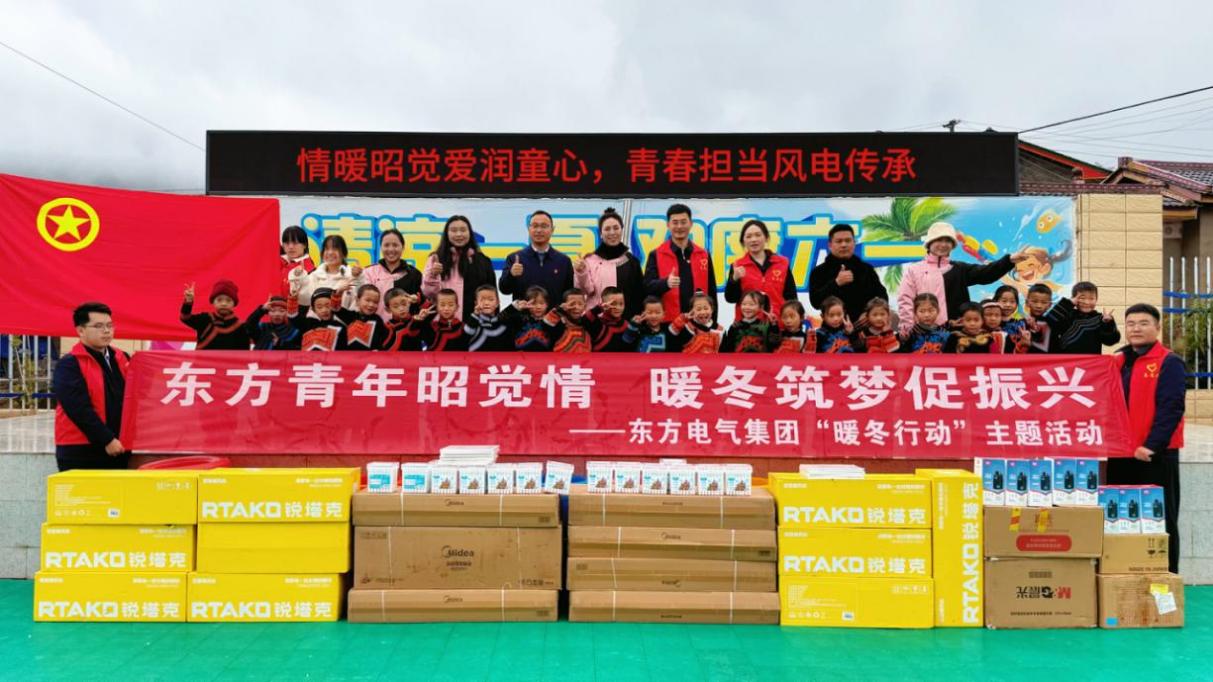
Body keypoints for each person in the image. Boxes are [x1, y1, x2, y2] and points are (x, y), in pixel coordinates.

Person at [1107, 303, 1185, 573]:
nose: (1136, 329)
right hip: (1120, 454)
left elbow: (1171, 408)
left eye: (1143, 323)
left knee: (1160, 520)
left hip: (1154, 455)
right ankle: (1121, 576)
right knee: (1118, 518)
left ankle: (1166, 580)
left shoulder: (1169, 361)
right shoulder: (1118, 361)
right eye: (1131, 324)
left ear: (1157, 327)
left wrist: (1152, 446)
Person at [896, 222, 1028, 335]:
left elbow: (986, 273)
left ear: (952, 245)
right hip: (924, 332)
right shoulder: (914, 270)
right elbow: (905, 300)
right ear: (929, 243)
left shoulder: (959, 269)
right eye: (939, 240)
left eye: (948, 241)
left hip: (958, 333)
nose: (943, 244)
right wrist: (907, 328)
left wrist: (1009, 260)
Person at [53, 302, 129, 471]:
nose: (107, 331)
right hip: (81, 450)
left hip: (119, 447)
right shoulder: (69, 364)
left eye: (110, 325)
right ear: (81, 330)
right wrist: (107, 439)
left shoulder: (122, 358)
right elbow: (77, 408)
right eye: (99, 326)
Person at [643, 204, 718, 323]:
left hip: (698, 322)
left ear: (691, 224)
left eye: (683, 222)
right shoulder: (656, 254)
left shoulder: (703, 254)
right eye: (675, 222)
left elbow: (712, 292)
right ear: (668, 225)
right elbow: (647, 287)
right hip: (668, 323)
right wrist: (666, 283)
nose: (679, 226)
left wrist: (713, 323)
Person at [808, 224, 888, 323]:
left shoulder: (866, 269)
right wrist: (836, 283)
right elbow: (815, 302)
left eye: (848, 240)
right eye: (839, 241)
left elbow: (882, 296)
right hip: (833, 328)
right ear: (830, 245)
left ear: (854, 243)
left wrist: (869, 313)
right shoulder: (818, 272)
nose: (844, 245)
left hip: (864, 327)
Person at [422, 216, 497, 319]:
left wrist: (493, 320)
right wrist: (433, 275)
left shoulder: (483, 261)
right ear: (447, 234)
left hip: (475, 322)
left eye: (463, 230)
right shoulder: (436, 258)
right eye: (453, 230)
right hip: (444, 324)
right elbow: (428, 294)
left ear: (470, 233)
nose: (458, 234)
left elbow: (492, 294)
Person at [575, 208, 645, 317]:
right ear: (601, 233)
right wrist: (581, 272)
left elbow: (639, 296)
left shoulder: (632, 262)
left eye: (616, 228)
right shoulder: (589, 260)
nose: (612, 232)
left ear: (621, 230)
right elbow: (584, 291)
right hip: (596, 322)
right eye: (607, 229)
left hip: (624, 323)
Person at [724, 219, 796, 320]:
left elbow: (792, 298)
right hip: (748, 325)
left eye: (758, 235)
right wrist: (734, 279)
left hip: (777, 323)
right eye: (748, 236)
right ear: (743, 241)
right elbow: (730, 299)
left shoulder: (782, 263)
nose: (753, 239)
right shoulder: (737, 266)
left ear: (766, 238)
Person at [499, 210, 575, 305]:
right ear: (529, 229)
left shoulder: (564, 261)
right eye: (535, 226)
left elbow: (569, 295)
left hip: (553, 314)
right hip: (523, 314)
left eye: (544, 226)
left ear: (552, 230)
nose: (539, 230)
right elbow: (504, 290)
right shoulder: (514, 258)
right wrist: (511, 275)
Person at [1042, 281, 1122, 354]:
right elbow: (1048, 323)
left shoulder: (1100, 319)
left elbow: (1111, 341)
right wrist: (1067, 303)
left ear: (1096, 300)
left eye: (1091, 298)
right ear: (1074, 298)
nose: (1087, 302)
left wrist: (1108, 324)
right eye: (1082, 298)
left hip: (1090, 363)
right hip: (1067, 362)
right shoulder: (1067, 315)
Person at [362, 229, 423, 321]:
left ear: (403, 247)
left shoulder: (414, 274)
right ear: (381, 247)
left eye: (395, 245)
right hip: (376, 326)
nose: (391, 249)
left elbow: (422, 303)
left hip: (406, 328)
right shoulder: (368, 272)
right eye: (386, 245)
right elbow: (361, 300)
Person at [289, 235, 364, 309]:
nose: (330, 252)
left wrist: (357, 277)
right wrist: (297, 276)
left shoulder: (351, 275)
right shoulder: (316, 275)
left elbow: (360, 299)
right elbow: (304, 299)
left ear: (344, 253)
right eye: (327, 249)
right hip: (316, 317)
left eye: (335, 249)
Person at [180, 280, 250, 350]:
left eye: (228, 300)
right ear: (213, 302)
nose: (224, 304)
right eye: (219, 300)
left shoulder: (241, 326)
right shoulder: (205, 318)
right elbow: (185, 317)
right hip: (203, 357)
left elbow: (244, 351)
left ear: (234, 304)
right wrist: (188, 302)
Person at [289, 286, 347, 351]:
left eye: (328, 306)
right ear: (314, 309)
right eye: (319, 307)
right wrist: (293, 299)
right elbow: (293, 317)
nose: (324, 310)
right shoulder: (309, 324)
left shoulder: (341, 327)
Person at [335, 284, 389, 351]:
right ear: (357, 301)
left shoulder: (378, 320)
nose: (371, 305)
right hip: (350, 356)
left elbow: (382, 340)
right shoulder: (351, 316)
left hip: (371, 356)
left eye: (375, 302)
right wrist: (338, 294)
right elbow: (335, 308)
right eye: (367, 300)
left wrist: (378, 350)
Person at [501, 286, 556, 352]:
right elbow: (500, 320)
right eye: (533, 303)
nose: (538, 307)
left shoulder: (552, 322)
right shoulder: (521, 319)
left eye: (541, 303)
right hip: (521, 356)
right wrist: (514, 307)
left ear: (547, 304)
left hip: (545, 357)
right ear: (527, 303)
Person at [464, 285, 513, 352]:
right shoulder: (474, 320)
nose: (486, 303)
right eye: (482, 300)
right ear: (476, 303)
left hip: (498, 358)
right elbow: (467, 332)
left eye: (491, 299)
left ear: (497, 303)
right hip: (476, 358)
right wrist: (475, 315)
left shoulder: (503, 323)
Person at [545, 288, 594, 353]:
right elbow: (545, 325)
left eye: (580, 304)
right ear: (564, 305)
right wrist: (559, 309)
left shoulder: (588, 324)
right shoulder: (559, 323)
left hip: (586, 358)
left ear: (585, 306)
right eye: (572, 304)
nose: (576, 307)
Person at [587, 286, 632, 352]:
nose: (618, 307)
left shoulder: (627, 325)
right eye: (613, 304)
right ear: (604, 304)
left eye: (621, 304)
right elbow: (584, 320)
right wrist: (599, 308)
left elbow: (630, 348)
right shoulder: (598, 323)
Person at [279, 225, 315, 297]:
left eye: (295, 243)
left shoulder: (310, 271)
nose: (291, 247)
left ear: (304, 245)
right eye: (287, 243)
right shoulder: (275, 263)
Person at [1024, 283, 1056, 354]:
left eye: (1044, 302)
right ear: (1027, 302)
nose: (1039, 306)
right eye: (1034, 301)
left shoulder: (1053, 323)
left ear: (1050, 305)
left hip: (1050, 360)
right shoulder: (1021, 323)